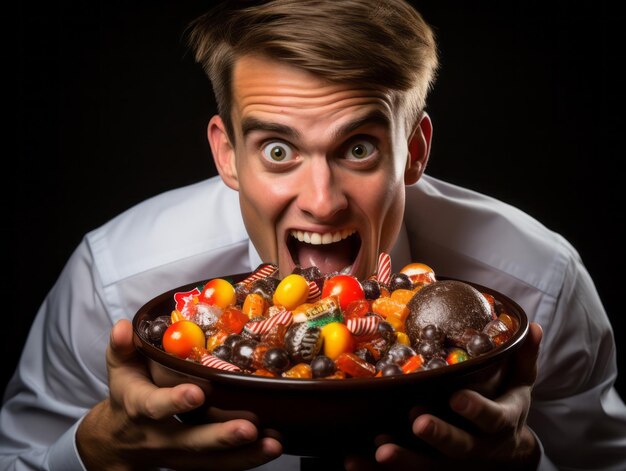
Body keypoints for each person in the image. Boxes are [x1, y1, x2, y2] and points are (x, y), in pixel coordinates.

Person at [2, 0, 625, 469]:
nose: (322, 203)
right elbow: (20, 459)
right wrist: (96, 450)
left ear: (412, 151)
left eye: (358, 148)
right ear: (226, 155)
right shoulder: (117, 277)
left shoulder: (541, 281)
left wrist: (522, 464)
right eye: (278, 149)